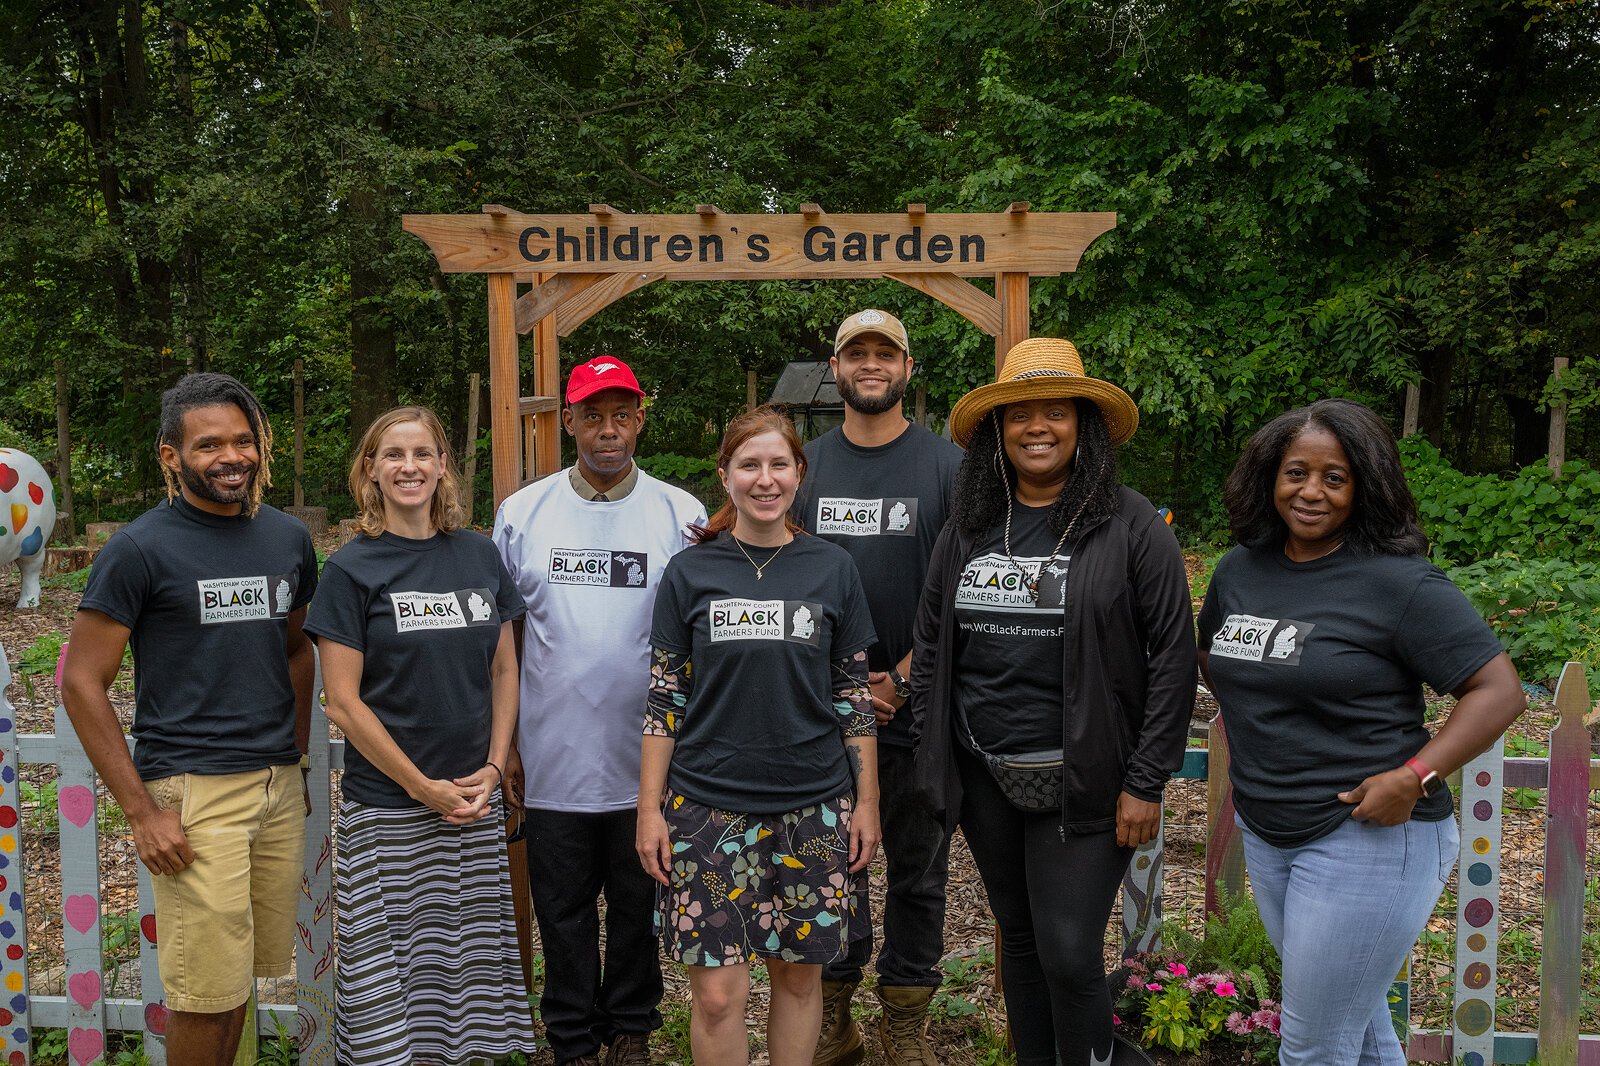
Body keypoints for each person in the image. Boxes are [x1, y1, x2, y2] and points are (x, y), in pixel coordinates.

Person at [1197, 398, 1524, 1065]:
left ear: (1363, 486)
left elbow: (1500, 692)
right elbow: (1214, 659)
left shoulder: (1399, 585)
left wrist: (1415, 776)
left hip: (1368, 837)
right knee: (1361, 1030)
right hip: (1270, 830)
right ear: (1269, 477)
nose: (1311, 492)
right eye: (1296, 472)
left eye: (1334, 477)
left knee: (1314, 1045)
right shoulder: (1239, 570)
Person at [908, 338, 1196, 1066]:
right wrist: (934, 754)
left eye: (1055, 413)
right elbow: (934, 646)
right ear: (997, 434)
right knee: (1025, 945)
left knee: (1070, 953)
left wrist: (1145, 780)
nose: (1037, 427)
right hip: (985, 773)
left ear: (1083, 426)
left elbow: (1173, 659)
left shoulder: (1130, 526)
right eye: (1019, 415)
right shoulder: (968, 528)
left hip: (1089, 778)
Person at [62, 372, 317, 1066]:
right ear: (170, 456)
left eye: (244, 441)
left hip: (272, 787)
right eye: (209, 445)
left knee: (237, 984)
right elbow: (81, 682)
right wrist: (143, 811)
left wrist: (293, 761)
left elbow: (297, 651)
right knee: (202, 996)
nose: (232, 457)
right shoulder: (140, 550)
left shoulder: (288, 541)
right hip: (195, 792)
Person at [636, 405, 881, 1066]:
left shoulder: (833, 569)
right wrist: (648, 810)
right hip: (706, 809)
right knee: (717, 995)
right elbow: (664, 697)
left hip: (815, 806)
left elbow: (854, 697)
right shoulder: (689, 574)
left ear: (799, 473)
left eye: (779, 464)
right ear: (726, 475)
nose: (764, 478)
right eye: (750, 464)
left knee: (798, 982)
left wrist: (867, 803)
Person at [305, 406, 535, 1066]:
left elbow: (504, 665)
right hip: (390, 809)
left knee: (460, 972)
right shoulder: (353, 569)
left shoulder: (478, 553)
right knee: (392, 977)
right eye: (394, 455)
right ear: (370, 472)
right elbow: (343, 703)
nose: (410, 467)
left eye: (423, 454)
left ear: (442, 467)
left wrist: (493, 769)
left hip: (471, 802)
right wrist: (421, 787)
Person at [493, 356, 706, 1066]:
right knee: (563, 909)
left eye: (622, 414)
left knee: (640, 903)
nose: (607, 430)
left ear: (640, 418)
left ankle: (631, 1027)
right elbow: (505, 639)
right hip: (553, 754)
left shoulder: (681, 514)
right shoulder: (522, 515)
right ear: (569, 422)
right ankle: (572, 1036)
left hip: (648, 759)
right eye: (592, 414)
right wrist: (509, 743)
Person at [790, 309, 962, 1066]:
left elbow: (965, 589)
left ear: (907, 369)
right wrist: (848, 685)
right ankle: (835, 1015)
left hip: (920, 708)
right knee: (835, 869)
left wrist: (900, 675)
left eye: (883, 353)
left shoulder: (948, 467)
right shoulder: (806, 467)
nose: (870, 364)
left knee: (919, 873)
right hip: (822, 712)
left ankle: (905, 1019)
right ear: (835, 367)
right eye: (855, 352)